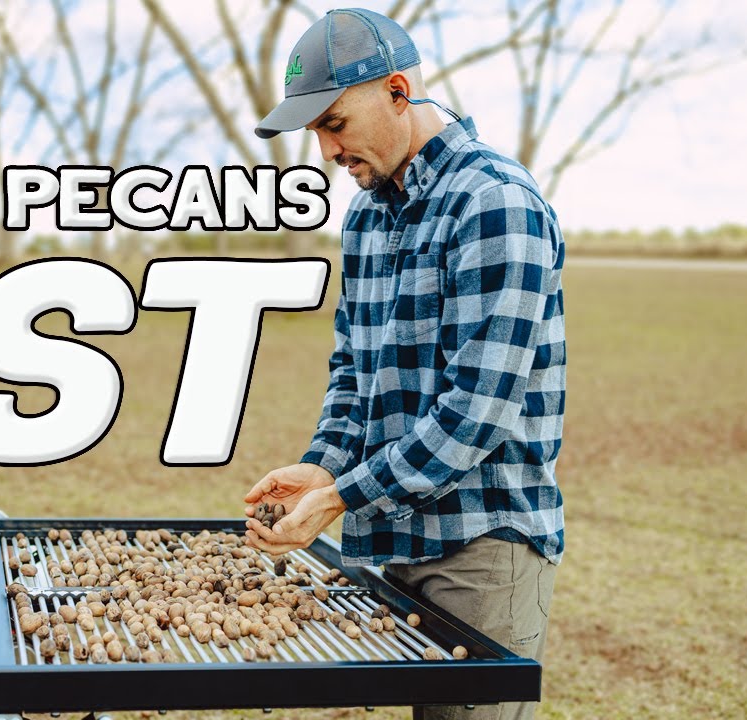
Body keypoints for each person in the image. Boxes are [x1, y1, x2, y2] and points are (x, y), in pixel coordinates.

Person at [244, 9, 565, 720]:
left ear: (396, 90)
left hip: (483, 547)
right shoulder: (367, 218)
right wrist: (324, 465)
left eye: (334, 124)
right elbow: (354, 372)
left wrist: (338, 501)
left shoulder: (493, 204)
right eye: (316, 134)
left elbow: (473, 414)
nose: (327, 150)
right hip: (401, 537)